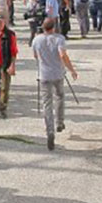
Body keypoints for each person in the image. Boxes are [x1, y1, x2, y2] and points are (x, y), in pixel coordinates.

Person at [32, 17, 79, 150]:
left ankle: (50, 131)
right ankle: (59, 122)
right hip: (58, 74)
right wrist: (72, 70)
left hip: (44, 75)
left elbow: (35, 56)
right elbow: (62, 55)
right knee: (59, 97)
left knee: (47, 104)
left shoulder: (37, 40)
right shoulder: (59, 38)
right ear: (54, 27)